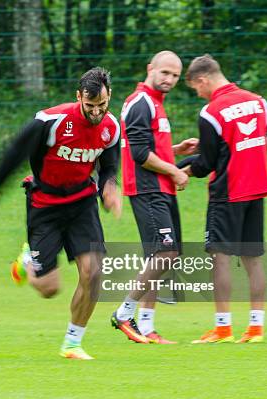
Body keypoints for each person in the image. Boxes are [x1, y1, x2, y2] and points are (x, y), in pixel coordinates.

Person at [0, 67, 121, 360]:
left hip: (82, 203)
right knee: (48, 288)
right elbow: (18, 150)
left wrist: (109, 187)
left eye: (102, 106)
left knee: (94, 272)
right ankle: (28, 259)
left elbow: (108, 166)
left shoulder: (111, 128)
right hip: (45, 205)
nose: (96, 112)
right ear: (78, 96)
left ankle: (72, 343)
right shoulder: (51, 121)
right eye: (90, 105)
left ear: (109, 98)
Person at [181, 54, 267, 343]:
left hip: (227, 193)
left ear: (203, 79)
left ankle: (223, 328)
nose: (198, 94)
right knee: (253, 260)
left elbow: (206, 164)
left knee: (220, 259)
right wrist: (250, 149)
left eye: (195, 88)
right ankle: (256, 328)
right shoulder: (258, 101)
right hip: (256, 189)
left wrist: (178, 169)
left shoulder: (211, 113)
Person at [110, 51, 198, 344]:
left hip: (161, 188)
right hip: (148, 188)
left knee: (162, 257)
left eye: (175, 76)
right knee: (165, 253)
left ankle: (147, 327)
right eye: (165, 73)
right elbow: (138, 154)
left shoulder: (155, 104)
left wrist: (176, 150)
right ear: (151, 69)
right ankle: (124, 312)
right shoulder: (140, 103)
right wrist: (174, 171)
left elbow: (148, 147)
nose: (169, 80)